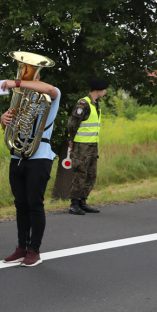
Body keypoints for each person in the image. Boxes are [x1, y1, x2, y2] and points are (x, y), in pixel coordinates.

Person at [0, 74, 62, 267]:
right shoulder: (20, 101)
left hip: (39, 156)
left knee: (35, 204)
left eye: (29, 74)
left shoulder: (50, 96)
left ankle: (34, 250)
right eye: (22, 74)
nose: (23, 78)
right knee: (20, 204)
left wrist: (16, 83)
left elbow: (51, 90)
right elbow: (8, 129)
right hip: (17, 156)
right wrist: (4, 120)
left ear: (38, 77)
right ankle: (22, 248)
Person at [67, 78, 109, 215]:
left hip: (92, 145)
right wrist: (72, 141)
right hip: (81, 146)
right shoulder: (83, 104)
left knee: (91, 174)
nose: (105, 91)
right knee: (80, 173)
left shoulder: (96, 105)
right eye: (104, 89)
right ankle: (74, 203)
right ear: (97, 90)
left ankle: (82, 201)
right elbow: (72, 124)